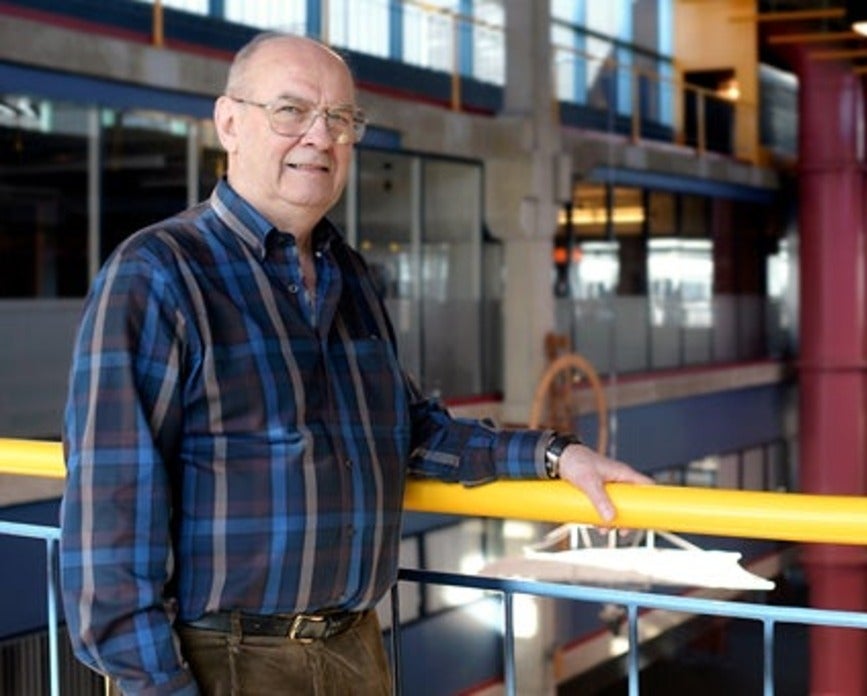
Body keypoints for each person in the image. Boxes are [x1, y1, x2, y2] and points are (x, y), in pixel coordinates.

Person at [59, 32, 651, 696]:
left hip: (355, 652)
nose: (321, 137)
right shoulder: (159, 275)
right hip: (221, 661)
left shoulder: (351, 276)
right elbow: (110, 520)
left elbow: (409, 431)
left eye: (341, 119)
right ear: (229, 122)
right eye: (291, 111)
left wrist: (553, 456)